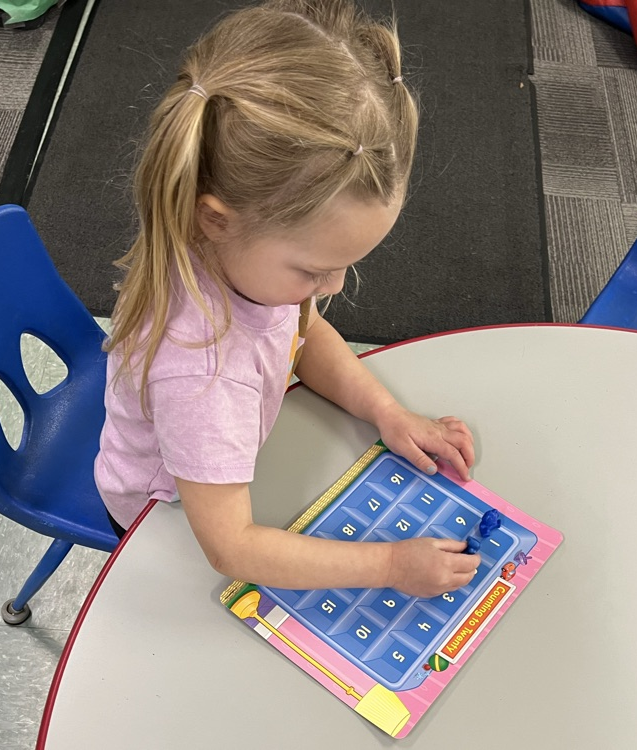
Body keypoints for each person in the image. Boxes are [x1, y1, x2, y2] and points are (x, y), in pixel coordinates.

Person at [94, 0, 477, 599]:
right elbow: (232, 547)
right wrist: (388, 567)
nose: (334, 287)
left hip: (227, 463)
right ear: (214, 220)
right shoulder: (202, 376)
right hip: (163, 518)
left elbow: (298, 332)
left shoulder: (241, 257)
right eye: (316, 270)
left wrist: (386, 412)